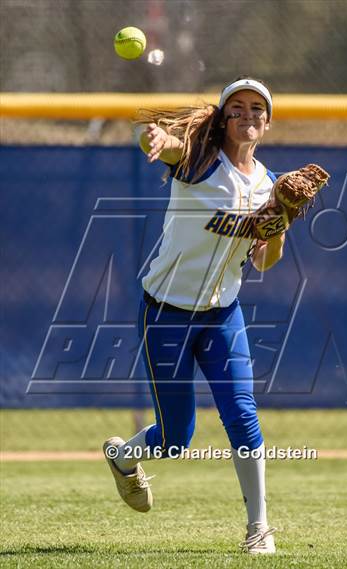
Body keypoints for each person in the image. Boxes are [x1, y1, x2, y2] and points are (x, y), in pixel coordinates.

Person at [103, 76, 287, 555]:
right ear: (223, 119)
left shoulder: (269, 186)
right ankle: (122, 456)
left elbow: (264, 261)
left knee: (242, 414)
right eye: (237, 107)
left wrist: (279, 225)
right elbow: (166, 146)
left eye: (257, 108)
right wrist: (157, 138)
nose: (248, 115)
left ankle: (259, 528)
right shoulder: (201, 161)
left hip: (223, 315)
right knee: (175, 438)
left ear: (268, 122)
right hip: (166, 313)